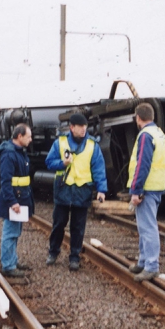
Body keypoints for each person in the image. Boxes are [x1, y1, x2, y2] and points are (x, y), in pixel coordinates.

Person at [45, 112, 108, 271]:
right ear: (72, 127)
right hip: (63, 190)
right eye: (80, 127)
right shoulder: (60, 142)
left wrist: (101, 189)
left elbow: (99, 169)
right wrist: (62, 163)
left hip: (82, 191)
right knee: (59, 224)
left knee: (78, 227)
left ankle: (74, 257)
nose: (83, 129)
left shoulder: (92, 145)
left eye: (85, 126)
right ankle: (53, 252)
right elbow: (49, 162)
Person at [127, 102, 165, 282]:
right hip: (156, 186)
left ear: (138, 118)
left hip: (147, 188)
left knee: (148, 227)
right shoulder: (160, 134)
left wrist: (136, 190)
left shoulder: (145, 135)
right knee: (145, 226)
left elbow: (142, 164)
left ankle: (151, 265)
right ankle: (144, 261)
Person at [0, 123, 34, 278]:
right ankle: (8, 266)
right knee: (10, 232)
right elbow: (5, 181)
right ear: (19, 136)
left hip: (20, 199)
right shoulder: (9, 155)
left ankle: (12, 260)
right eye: (28, 136)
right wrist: (13, 202)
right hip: (14, 201)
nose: (31, 140)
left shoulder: (18, 152)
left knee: (15, 232)